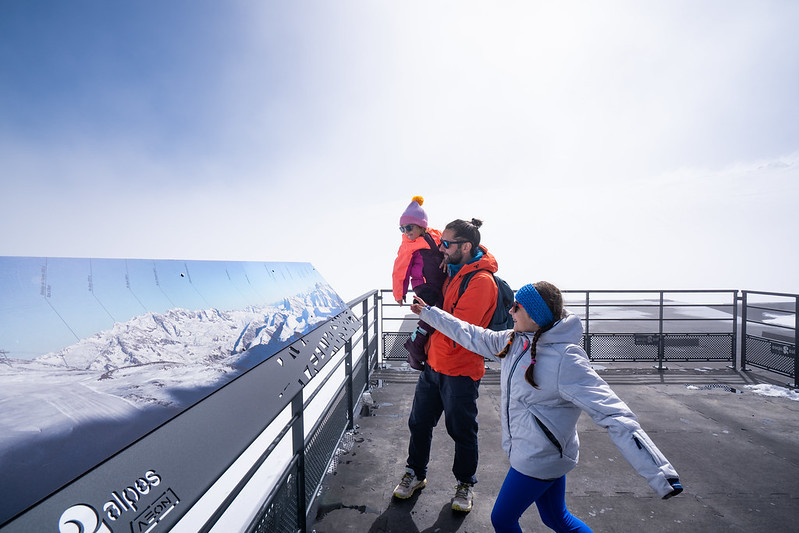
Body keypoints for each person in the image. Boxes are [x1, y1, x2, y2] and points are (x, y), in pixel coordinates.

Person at [409, 281, 683, 532]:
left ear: (535, 315)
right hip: (548, 453)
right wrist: (429, 313)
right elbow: (470, 333)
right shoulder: (514, 342)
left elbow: (614, 413)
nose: (511, 310)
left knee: (502, 519)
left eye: (517, 306)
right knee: (556, 518)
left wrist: (661, 475)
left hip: (539, 458)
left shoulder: (566, 359)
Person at [392, 218, 499, 513]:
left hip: (461, 370)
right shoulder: (453, 270)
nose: (441, 248)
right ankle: (415, 473)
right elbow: (426, 239)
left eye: (447, 245)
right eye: (441, 243)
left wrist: (427, 312)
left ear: (465, 247)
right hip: (434, 364)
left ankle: (465, 484)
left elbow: (461, 329)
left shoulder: (481, 282)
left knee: (462, 432)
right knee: (419, 423)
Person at [391, 196, 447, 369]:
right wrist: (399, 293)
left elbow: (447, 247)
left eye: (409, 227)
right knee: (433, 312)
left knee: (440, 312)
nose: (406, 232)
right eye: (402, 228)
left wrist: (447, 258)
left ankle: (417, 350)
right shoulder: (409, 245)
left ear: (422, 226)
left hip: (438, 284)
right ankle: (414, 347)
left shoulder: (436, 236)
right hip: (423, 285)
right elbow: (400, 269)